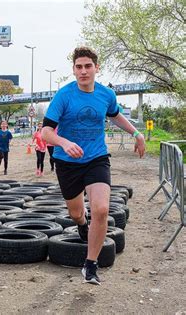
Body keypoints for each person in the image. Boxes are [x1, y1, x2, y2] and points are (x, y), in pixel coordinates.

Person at [42, 47, 145, 285]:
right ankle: (81, 223)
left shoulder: (106, 94)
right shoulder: (64, 96)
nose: (83, 71)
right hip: (67, 161)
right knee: (76, 212)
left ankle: (90, 265)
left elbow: (115, 115)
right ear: (74, 70)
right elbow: (46, 132)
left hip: (96, 158)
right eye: (79, 67)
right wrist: (64, 142)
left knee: (101, 209)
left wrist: (137, 133)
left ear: (96, 68)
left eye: (88, 66)